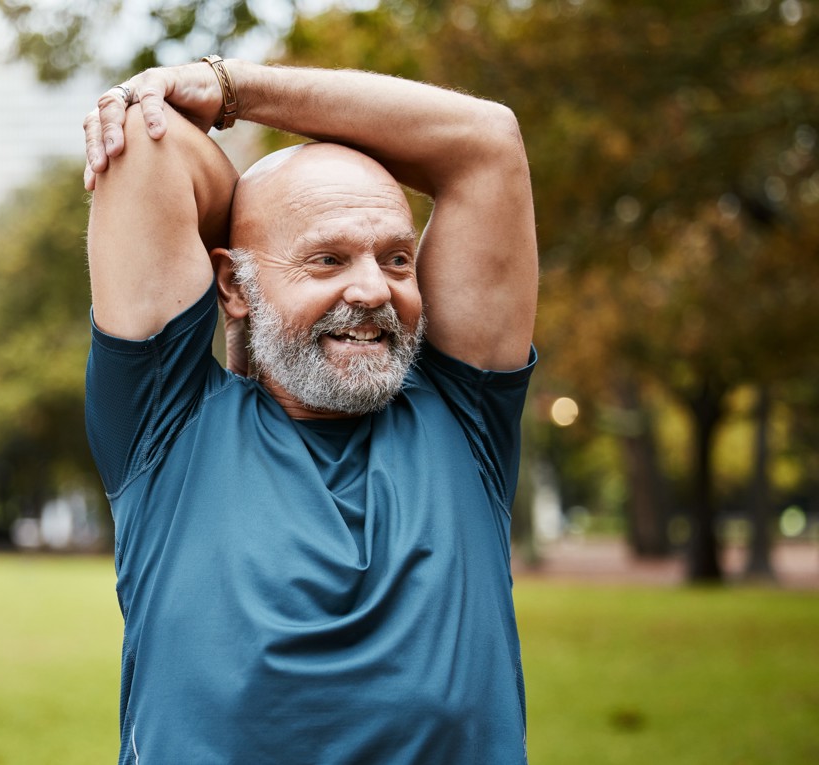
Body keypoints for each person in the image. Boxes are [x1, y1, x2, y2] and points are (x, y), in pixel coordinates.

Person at [81, 57, 538, 765]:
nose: (373, 290)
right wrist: (258, 276)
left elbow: (487, 141)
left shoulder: (463, 411)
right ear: (231, 282)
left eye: (395, 258)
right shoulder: (167, 428)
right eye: (326, 259)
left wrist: (235, 88)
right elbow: (147, 145)